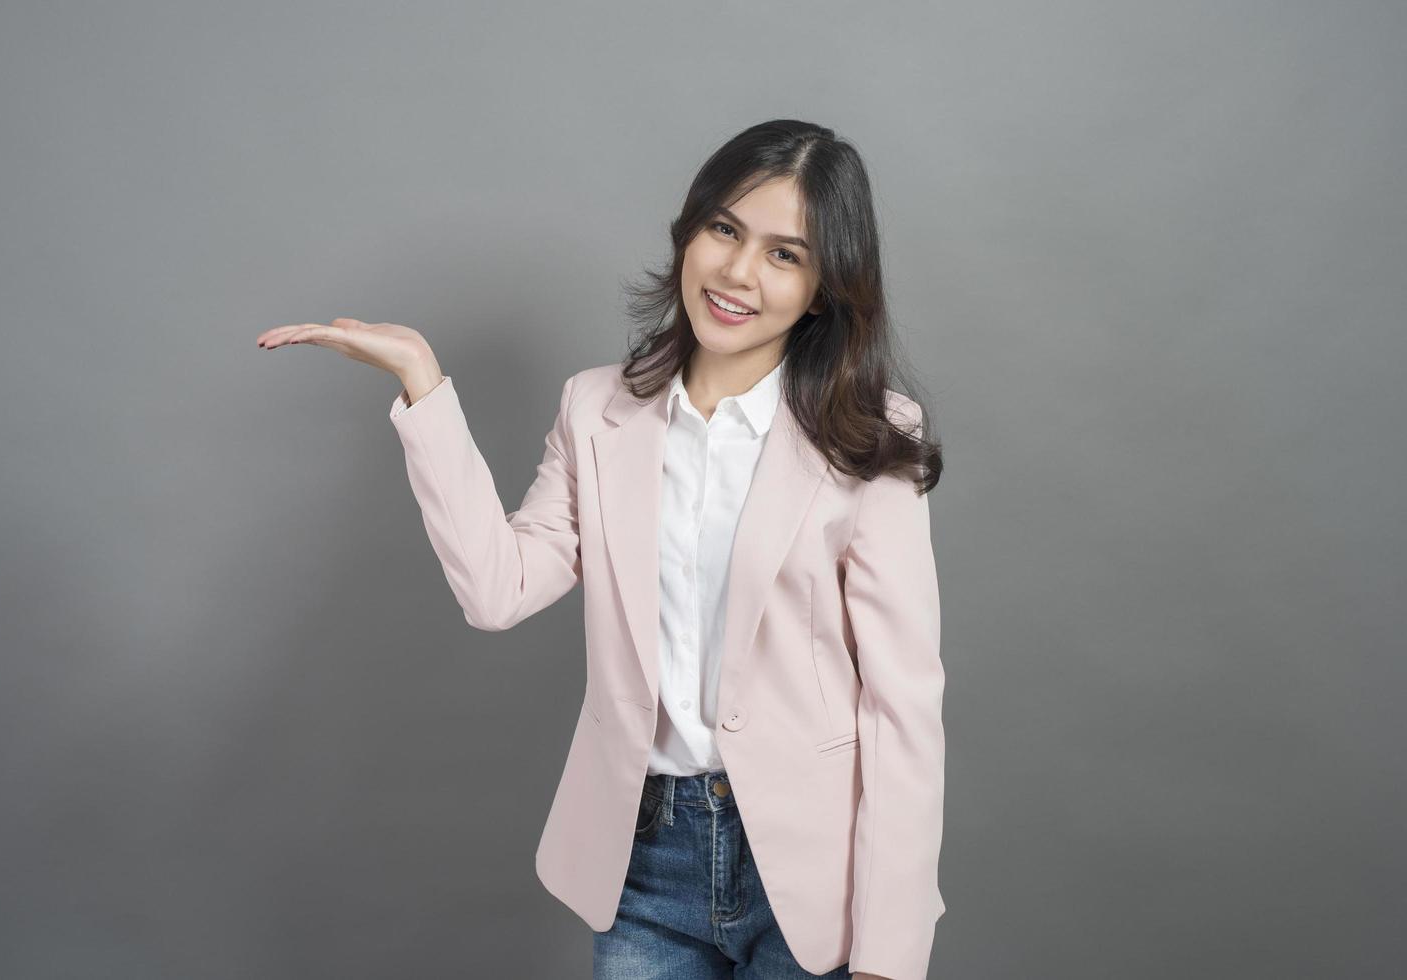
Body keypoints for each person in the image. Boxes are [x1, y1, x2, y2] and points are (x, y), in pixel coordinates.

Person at [256, 119, 946, 980]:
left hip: (814, 869)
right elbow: (497, 589)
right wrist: (423, 387)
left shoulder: (869, 439)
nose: (737, 273)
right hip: (645, 864)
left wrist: (890, 955)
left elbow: (903, 707)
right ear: (688, 231)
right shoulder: (595, 412)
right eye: (725, 230)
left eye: (785, 254)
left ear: (822, 289)